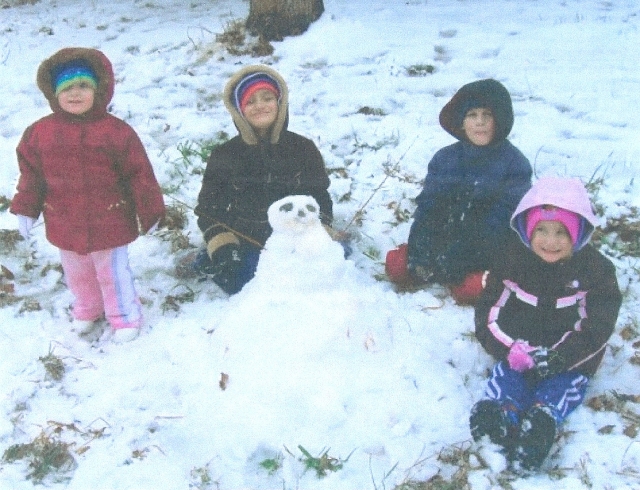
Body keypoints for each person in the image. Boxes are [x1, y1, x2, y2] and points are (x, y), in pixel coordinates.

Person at [10, 47, 165, 343]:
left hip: (110, 218)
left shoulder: (116, 133)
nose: (75, 93)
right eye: (67, 87)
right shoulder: (40, 133)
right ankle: (89, 308)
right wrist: (26, 209)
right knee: (78, 273)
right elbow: (32, 176)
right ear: (55, 94)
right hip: (64, 221)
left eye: (83, 85)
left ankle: (124, 315)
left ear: (99, 89)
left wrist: (151, 211)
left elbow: (140, 175)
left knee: (112, 273)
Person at [470, 176, 622, 470]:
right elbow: (488, 314)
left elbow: (597, 327)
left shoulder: (596, 272)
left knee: (562, 386)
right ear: (528, 230)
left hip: (569, 358)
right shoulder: (511, 261)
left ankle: (540, 424)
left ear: (578, 235)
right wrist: (510, 350)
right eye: (541, 230)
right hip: (520, 350)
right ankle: (498, 418)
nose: (550, 242)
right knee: (506, 378)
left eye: (561, 233)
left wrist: (561, 357)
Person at [386, 79, 532, 304]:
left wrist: (466, 256)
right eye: (472, 115)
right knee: (397, 266)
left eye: (487, 115)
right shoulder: (445, 159)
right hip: (445, 240)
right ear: (462, 122)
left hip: (486, 247)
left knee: (472, 289)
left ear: (499, 120)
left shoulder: (514, 165)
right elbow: (429, 207)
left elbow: (502, 220)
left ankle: (480, 277)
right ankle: (431, 265)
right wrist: (421, 248)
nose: (480, 122)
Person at [194, 65, 335, 295]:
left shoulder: (303, 148)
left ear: (280, 103)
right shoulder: (225, 154)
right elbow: (209, 208)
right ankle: (210, 258)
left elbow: (319, 195)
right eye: (250, 102)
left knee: (318, 274)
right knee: (246, 282)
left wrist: (322, 228)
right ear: (239, 110)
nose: (260, 106)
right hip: (247, 240)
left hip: (295, 237)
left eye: (267, 98)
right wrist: (222, 244)